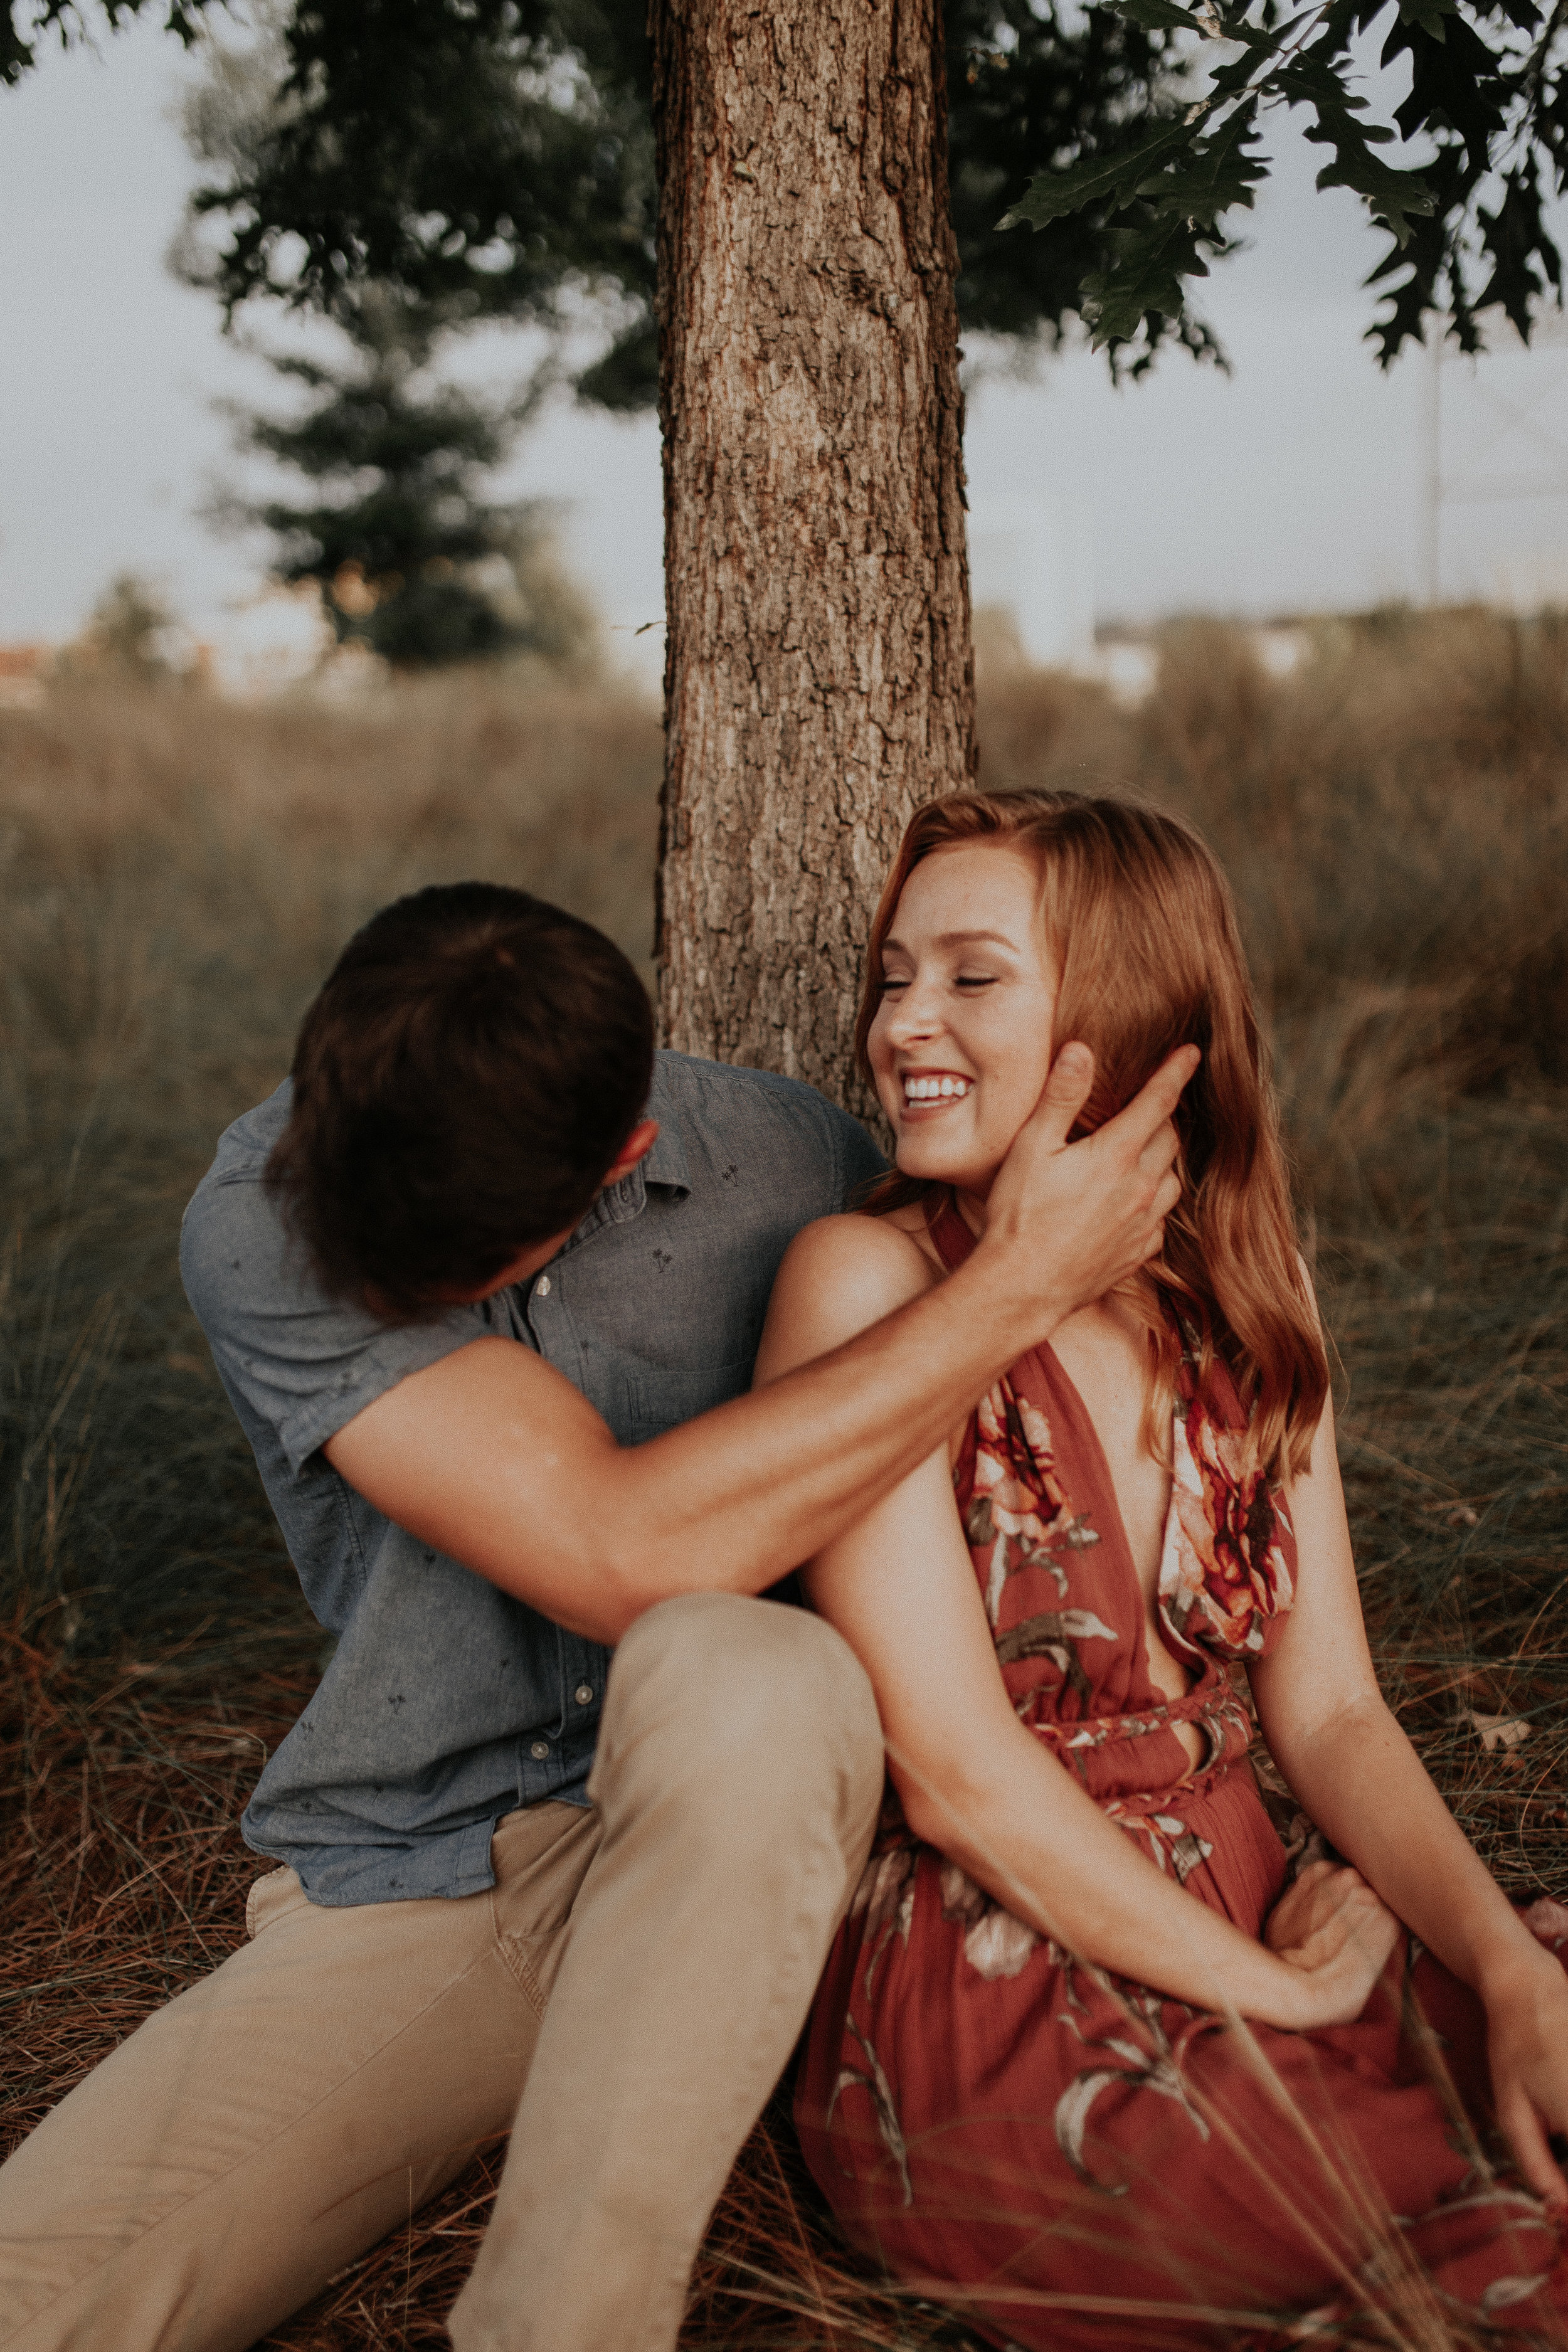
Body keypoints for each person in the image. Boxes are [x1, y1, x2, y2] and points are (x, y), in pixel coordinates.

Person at [0, 880, 1194, 2352]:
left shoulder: (798, 1166)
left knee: (746, 1668)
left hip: (795, 1817)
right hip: (456, 1863)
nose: (366, 1276)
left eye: (431, 1274)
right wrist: (1011, 1287)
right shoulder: (269, 1209)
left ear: (619, 1157)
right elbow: (616, 1552)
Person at [756, 789, 1568, 2349]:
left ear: (1123, 1017)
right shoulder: (864, 1285)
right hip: (1001, 1979)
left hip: (1266, 1905)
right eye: (893, 974)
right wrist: (1280, 2001)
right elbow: (952, 1776)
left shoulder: (1248, 1296)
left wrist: (1490, 1965)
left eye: (969, 977)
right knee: (1494, 2252)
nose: (899, 1023)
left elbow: (1327, 1711)